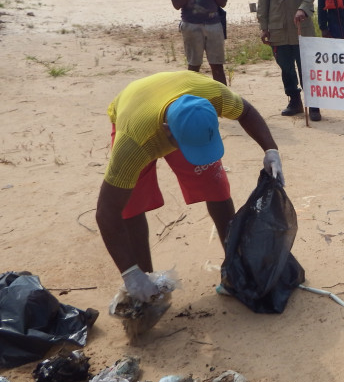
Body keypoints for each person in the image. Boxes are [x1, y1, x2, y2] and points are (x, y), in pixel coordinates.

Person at [95, 70, 285, 302]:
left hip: (180, 103)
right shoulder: (134, 143)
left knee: (216, 188)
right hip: (135, 110)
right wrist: (130, 273)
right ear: (167, 131)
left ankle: (235, 266)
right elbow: (107, 212)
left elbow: (246, 111)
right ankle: (147, 283)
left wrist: (270, 150)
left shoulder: (214, 96)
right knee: (131, 206)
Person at [257, 0, 316, 118]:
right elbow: (263, 0)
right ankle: (294, 101)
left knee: (306, 67)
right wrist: (263, 27)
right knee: (286, 69)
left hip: (301, 28)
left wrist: (303, 9)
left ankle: (313, 105)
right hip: (278, 29)